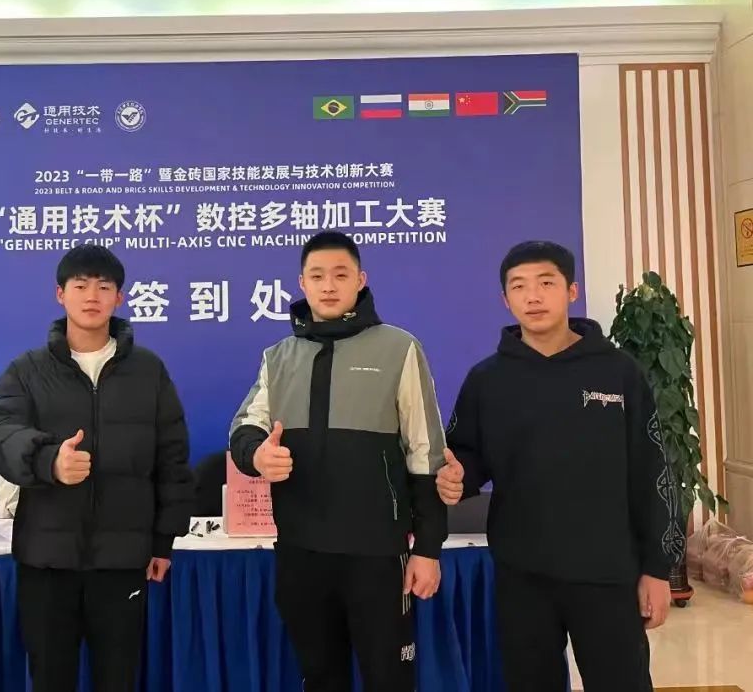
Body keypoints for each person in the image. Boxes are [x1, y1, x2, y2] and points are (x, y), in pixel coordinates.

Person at [436, 241, 682, 692]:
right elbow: (467, 455)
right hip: (522, 573)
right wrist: (456, 478)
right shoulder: (487, 379)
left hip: (607, 572)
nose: (533, 296)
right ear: (505, 299)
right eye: (519, 286)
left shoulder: (619, 373)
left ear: (571, 291)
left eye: (546, 283)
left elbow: (652, 473)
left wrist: (656, 568)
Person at [229, 231, 448, 692]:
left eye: (340, 275)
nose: (328, 285)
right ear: (302, 284)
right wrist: (258, 455)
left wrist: (427, 547)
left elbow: (425, 451)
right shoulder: (279, 357)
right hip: (301, 551)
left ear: (360, 280)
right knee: (320, 676)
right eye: (317, 276)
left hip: (377, 553)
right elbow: (245, 427)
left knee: (389, 678)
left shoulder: (399, 348)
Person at [0, 244, 194, 692]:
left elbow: (172, 457)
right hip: (46, 560)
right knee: (50, 677)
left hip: (123, 560)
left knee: (117, 678)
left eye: (104, 286)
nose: (92, 296)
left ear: (119, 297)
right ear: (60, 294)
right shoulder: (27, 371)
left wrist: (163, 540)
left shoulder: (148, 371)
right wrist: (48, 460)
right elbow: (0, 433)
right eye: (80, 286)